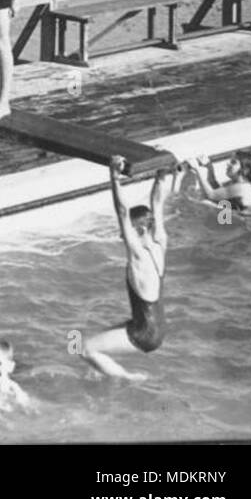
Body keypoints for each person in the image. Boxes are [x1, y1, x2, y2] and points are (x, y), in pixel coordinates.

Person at [80, 157, 170, 380]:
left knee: (84, 348)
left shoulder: (139, 255)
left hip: (144, 334)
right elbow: (157, 204)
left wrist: (114, 177)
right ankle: (102, 372)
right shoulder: (160, 242)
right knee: (94, 340)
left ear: (138, 231)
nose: (122, 235)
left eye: (126, 231)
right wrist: (161, 174)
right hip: (155, 326)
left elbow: (122, 211)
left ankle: (128, 379)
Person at [178, 152, 251, 213]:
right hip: (233, 216)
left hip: (237, 222)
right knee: (210, 203)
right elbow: (217, 192)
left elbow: (210, 196)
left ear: (245, 170)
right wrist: (209, 167)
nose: (228, 163)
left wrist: (197, 169)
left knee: (205, 203)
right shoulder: (239, 184)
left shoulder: (242, 188)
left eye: (233, 162)